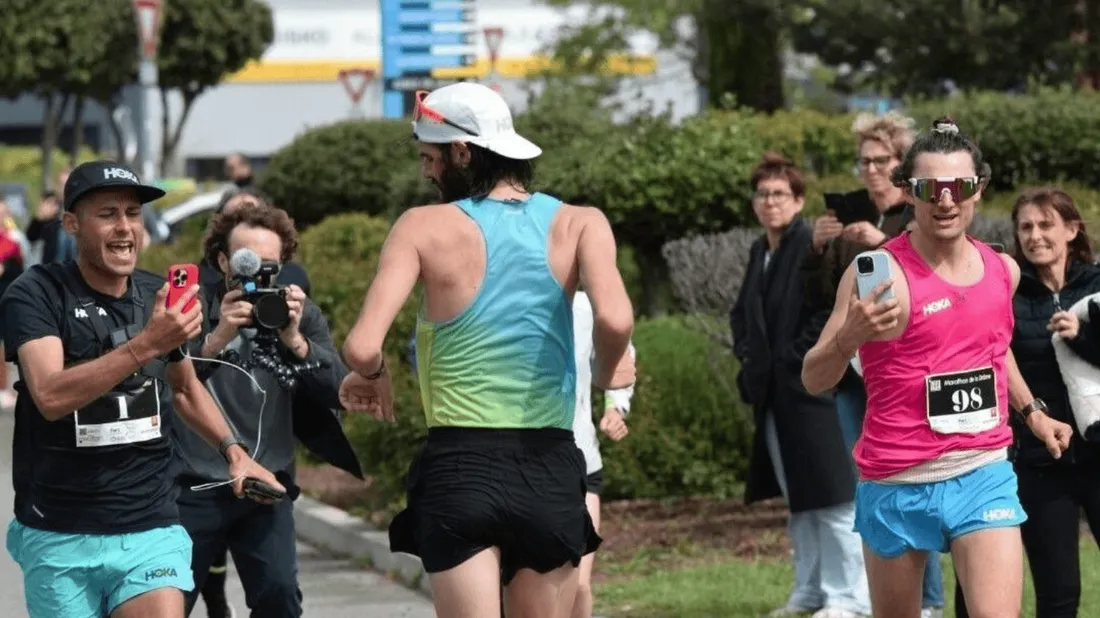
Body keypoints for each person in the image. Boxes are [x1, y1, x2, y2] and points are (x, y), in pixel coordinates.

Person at [337, 83, 635, 618]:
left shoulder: (420, 226)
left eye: (429, 159)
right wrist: (611, 373)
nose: (426, 173)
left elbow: (361, 347)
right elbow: (615, 319)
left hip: (460, 465)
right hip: (548, 463)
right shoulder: (580, 222)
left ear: (462, 152)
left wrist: (373, 373)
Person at [800, 118, 1074, 618]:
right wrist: (849, 337)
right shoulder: (876, 275)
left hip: (982, 471)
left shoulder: (1003, 269)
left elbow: (994, 348)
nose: (946, 200)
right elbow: (814, 377)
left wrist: (1032, 412)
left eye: (959, 186)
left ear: (978, 189)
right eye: (930, 188)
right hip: (896, 481)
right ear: (908, 191)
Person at [0, 159, 283, 618]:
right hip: (60, 529)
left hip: (149, 524)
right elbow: (49, 395)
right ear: (71, 223)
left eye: (133, 213)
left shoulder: (158, 297)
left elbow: (185, 389)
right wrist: (147, 343)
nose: (125, 227)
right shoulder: (37, 293)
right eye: (107, 214)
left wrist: (234, 452)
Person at [173, 203, 351, 618]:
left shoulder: (299, 314)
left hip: (266, 484)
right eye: (245, 263)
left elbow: (340, 390)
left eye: (269, 265)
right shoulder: (191, 311)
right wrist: (216, 339)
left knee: (280, 598)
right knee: (168, 603)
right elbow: (169, 388)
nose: (257, 275)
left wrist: (296, 341)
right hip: (194, 484)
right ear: (222, 261)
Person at [802, 113, 946, 618]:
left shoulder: (921, 211)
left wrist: (879, 245)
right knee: (871, 478)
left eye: (880, 160)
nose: (870, 170)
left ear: (901, 164)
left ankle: (929, 600)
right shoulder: (850, 209)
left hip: (908, 367)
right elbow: (820, 294)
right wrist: (817, 247)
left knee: (917, 479)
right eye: (863, 161)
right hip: (853, 369)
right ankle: (889, 595)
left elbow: (931, 275)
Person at [732, 153, 870, 618]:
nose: (769, 202)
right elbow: (743, 314)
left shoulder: (809, 244)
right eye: (762, 194)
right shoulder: (761, 251)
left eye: (779, 194)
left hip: (812, 387)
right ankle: (810, 589)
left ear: (798, 200)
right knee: (799, 498)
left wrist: (796, 358)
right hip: (773, 393)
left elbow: (828, 310)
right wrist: (748, 357)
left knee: (833, 495)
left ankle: (850, 597)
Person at [954, 188, 1100, 618]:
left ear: (1071, 230)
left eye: (1045, 225)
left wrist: (1082, 336)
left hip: (1098, 452)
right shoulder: (1007, 295)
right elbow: (991, 363)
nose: (1035, 236)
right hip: (1040, 462)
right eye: (1026, 227)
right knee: (1059, 592)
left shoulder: (1097, 285)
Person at [570, 290, 635, 618]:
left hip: (581, 462)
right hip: (516, 466)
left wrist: (615, 407)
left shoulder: (585, 307)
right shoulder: (503, 300)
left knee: (578, 585)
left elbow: (621, 351)